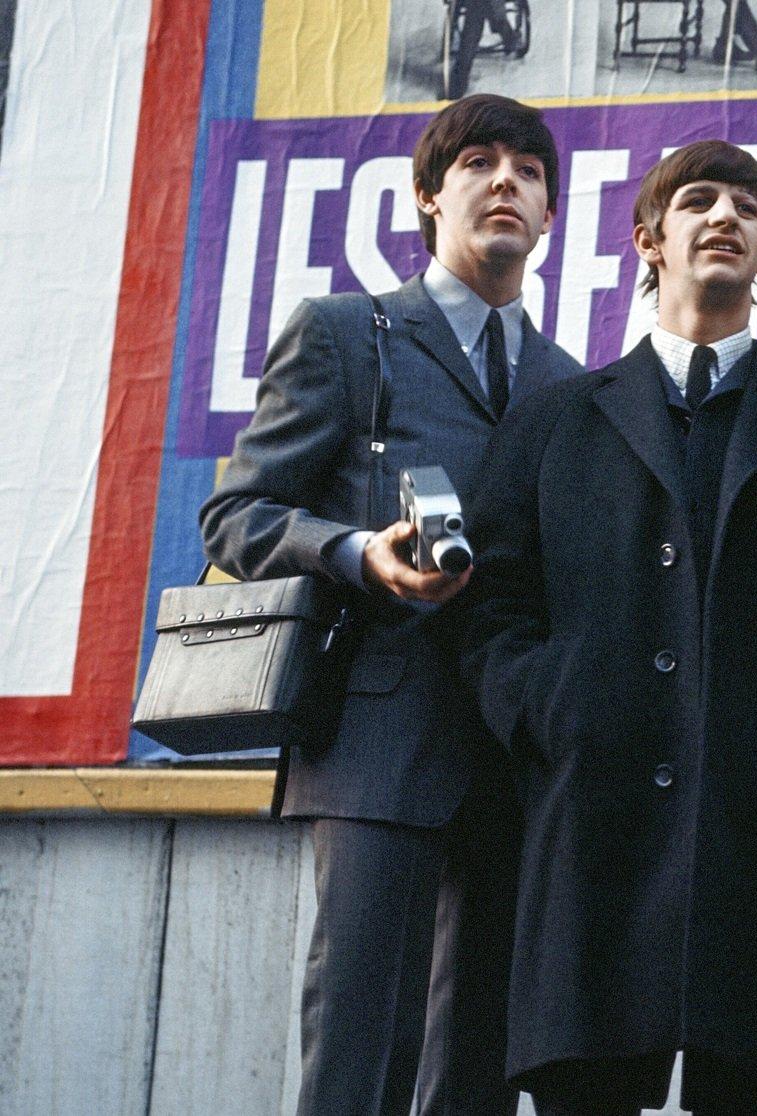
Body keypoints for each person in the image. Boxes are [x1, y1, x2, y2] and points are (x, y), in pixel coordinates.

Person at [200, 94, 582, 1116]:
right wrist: (360, 553)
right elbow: (234, 513)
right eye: (480, 163)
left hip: (517, 757)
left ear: (550, 218)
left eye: (530, 172)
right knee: (360, 1052)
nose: (507, 181)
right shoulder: (344, 335)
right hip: (375, 742)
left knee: (481, 1068)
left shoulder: (572, 385)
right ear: (426, 197)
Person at [459, 141, 757, 1115]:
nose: (724, 217)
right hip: (590, 835)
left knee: (750, 1089)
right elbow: (491, 604)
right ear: (647, 239)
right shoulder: (553, 420)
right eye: (698, 200)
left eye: (747, 208)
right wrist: (547, 707)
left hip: (756, 834)